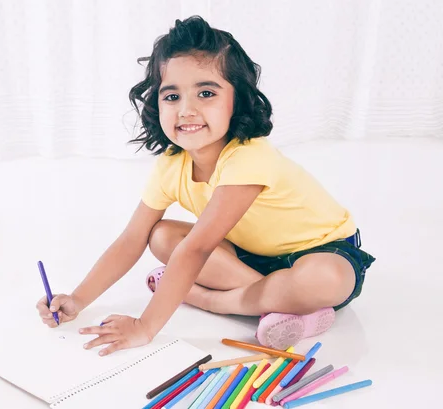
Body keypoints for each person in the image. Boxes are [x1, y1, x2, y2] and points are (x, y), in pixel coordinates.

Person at [36, 16, 376, 356]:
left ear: (237, 101)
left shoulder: (248, 157)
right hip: (252, 259)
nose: (187, 110)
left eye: (206, 93)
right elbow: (131, 240)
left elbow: (197, 250)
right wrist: (78, 299)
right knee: (162, 235)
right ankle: (284, 305)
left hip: (323, 252)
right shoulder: (172, 164)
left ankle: (215, 301)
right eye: (172, 97)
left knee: (324, 278)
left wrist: (145, 327)